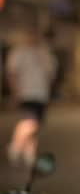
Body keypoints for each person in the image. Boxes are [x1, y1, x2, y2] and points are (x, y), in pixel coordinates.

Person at [6, 28, 57, 168]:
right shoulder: (19, 52)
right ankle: (15, 147)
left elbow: (51, 73)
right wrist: (14, 92)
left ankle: (29, 152)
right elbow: (12, 73)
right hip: (26, 93)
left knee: (37, 124)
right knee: (29, 121)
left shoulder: (44, 52)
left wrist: (50, 90)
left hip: (41, 94)